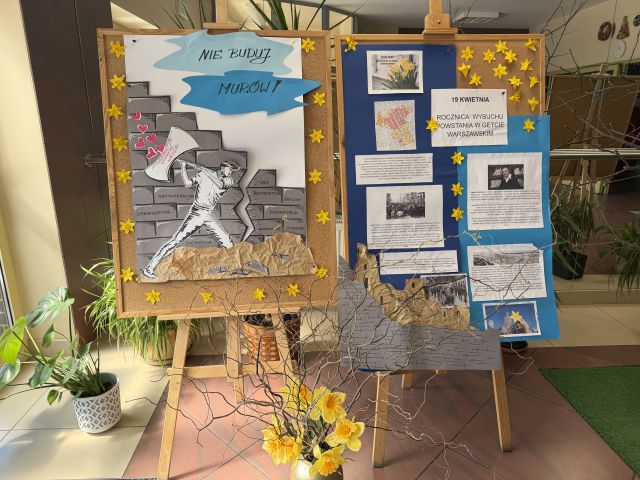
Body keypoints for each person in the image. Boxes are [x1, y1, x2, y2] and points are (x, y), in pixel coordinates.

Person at [142, 160, 240, 279]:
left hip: (209, 214)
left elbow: (219, 184)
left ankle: (237, 268)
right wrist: (183, 167)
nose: (231, 172)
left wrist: (203, 169)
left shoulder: (229, 181)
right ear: (223, 167)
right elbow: (188, 184)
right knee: (175, 240)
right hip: (196, 212)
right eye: (230, 169)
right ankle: (149, 268)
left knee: (227, 241)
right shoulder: (203, 174)